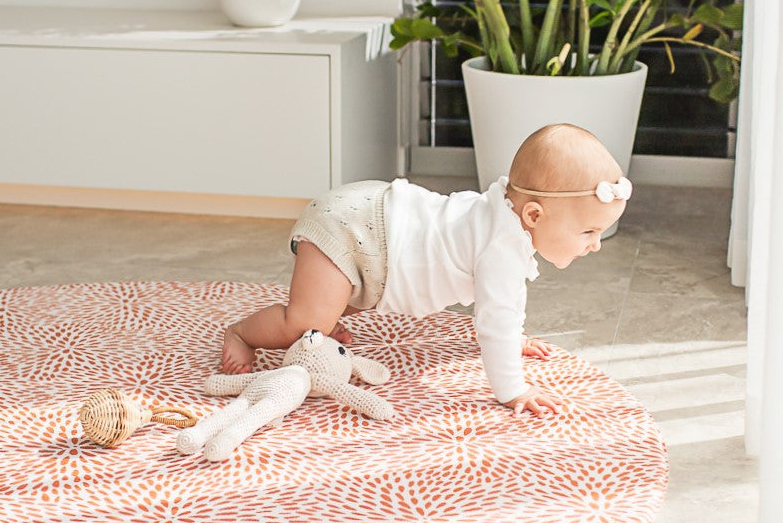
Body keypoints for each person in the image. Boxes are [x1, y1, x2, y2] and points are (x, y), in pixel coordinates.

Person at [220, 123, 632, 418]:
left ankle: (329, 316)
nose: (594, 244)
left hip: (375, 228)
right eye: (588, 231)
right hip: (355, 227)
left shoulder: (502, 218)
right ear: (535, 214)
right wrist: (513, 389)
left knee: (332, 308)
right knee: (305, 321)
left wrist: (514, 336)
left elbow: (502, 307)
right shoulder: (501, 248)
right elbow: (495, 319)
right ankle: (241, 333)